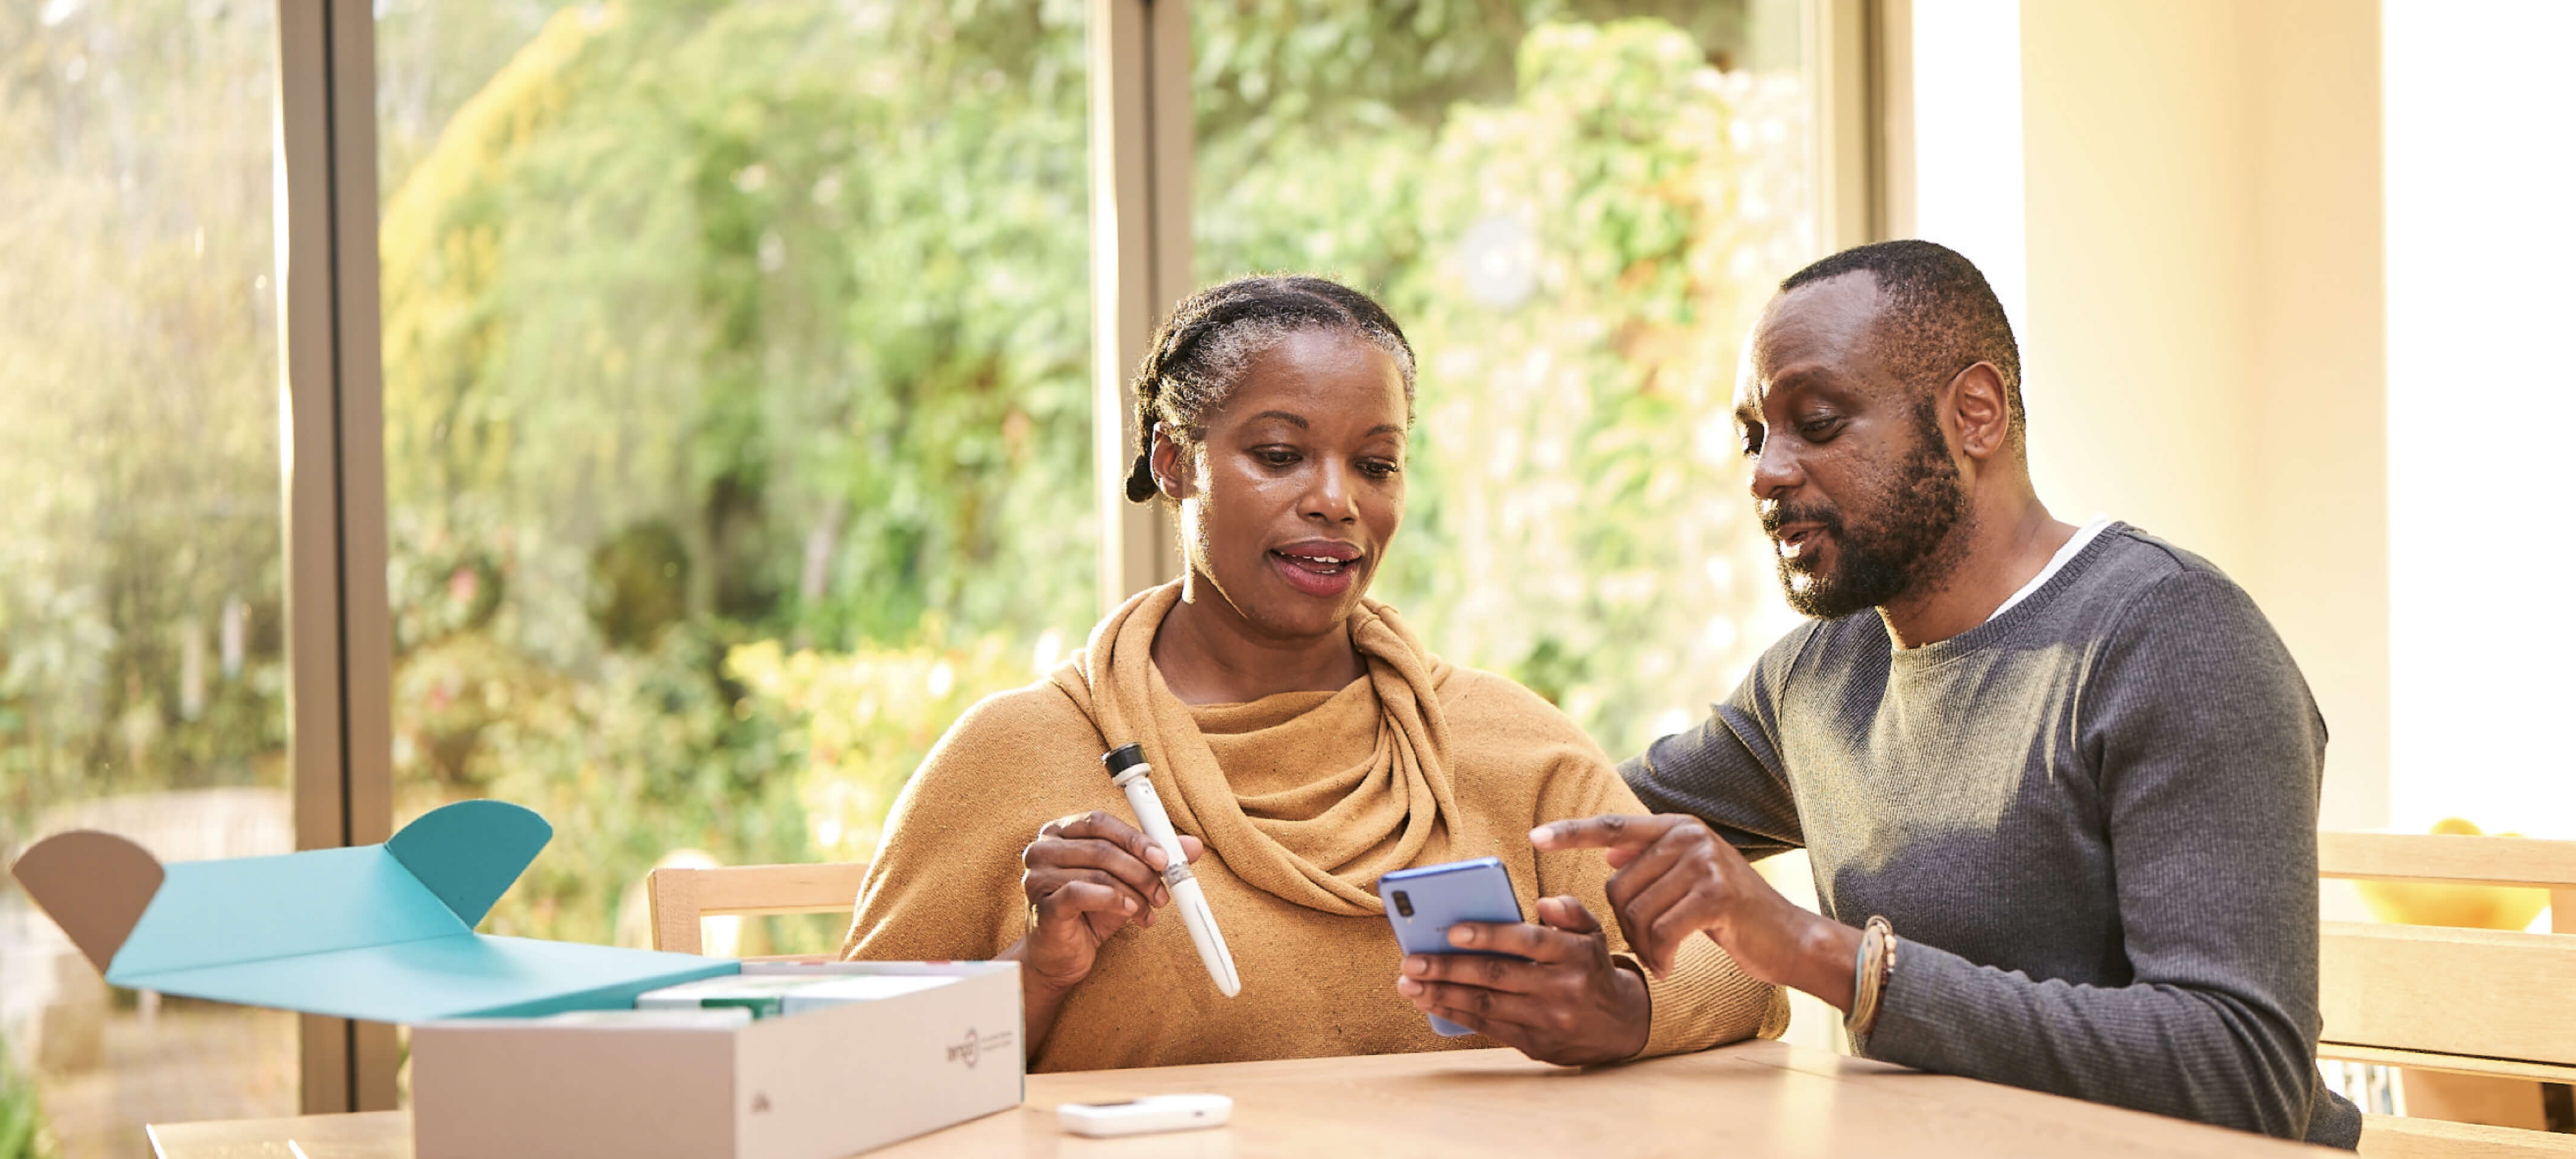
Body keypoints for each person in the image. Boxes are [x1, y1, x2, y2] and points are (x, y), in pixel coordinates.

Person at [1482, 240, 2360, 1145]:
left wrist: (1829, 956)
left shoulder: (2175, 638)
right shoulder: (1820, 677)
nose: (1766, 472)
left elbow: (2244, 1072)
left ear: (1974, 414)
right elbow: (1585, 816)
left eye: (1816, 421)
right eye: (1754, 435)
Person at [843, 274, 1781, 1072]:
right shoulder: (1017, 754)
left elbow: (1741, 969)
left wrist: (1617, 1008)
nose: (1336, 501)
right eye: (1280, 455)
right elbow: (847, 1066)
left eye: (1376, 464)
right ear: (1176, 463)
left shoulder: (1504, 740)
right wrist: (1037, 969)